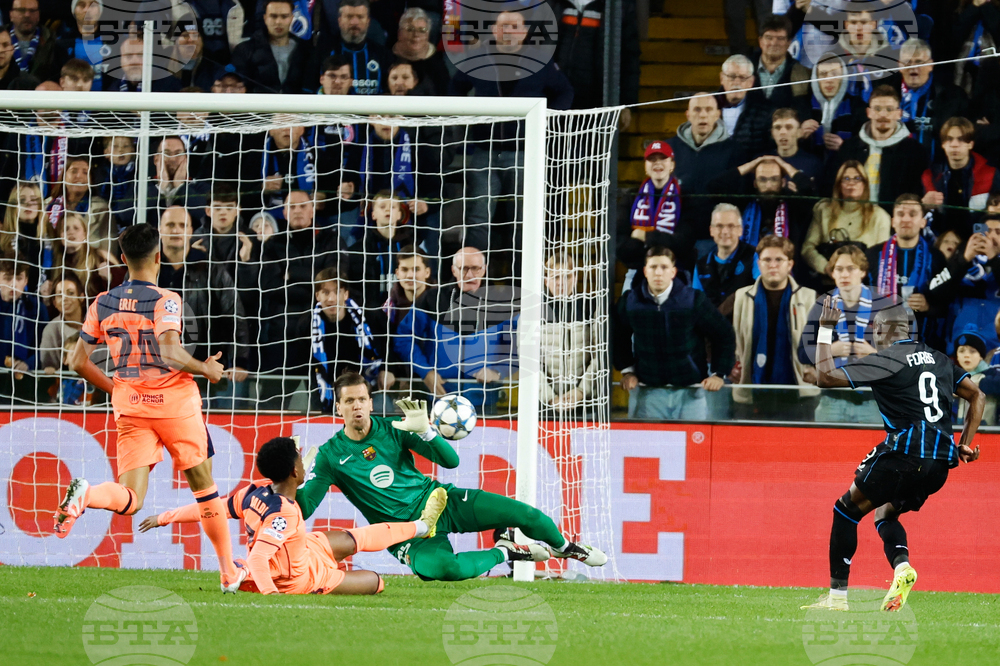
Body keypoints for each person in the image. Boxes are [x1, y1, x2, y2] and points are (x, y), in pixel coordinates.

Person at [53, 224, 247, 593]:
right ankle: (227, 572)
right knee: (204, 488)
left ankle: (87, 495)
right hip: (175, 405)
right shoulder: (166, 299)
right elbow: (170, 351)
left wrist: (118, 388)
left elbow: (77, 361)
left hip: (131, 405)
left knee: (132, 500)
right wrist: (206, 368)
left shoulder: (102, 302)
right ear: (158, 257)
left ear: (123, 259)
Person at [295, 373, 608, 580]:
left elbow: (451, 461)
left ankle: (565, 547)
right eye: (349, 401)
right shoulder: (329, 457)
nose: (357, 406)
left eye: (362, 399)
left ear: (371, 402)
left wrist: (428, 432)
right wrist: (294, 477)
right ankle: (507, 550)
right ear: (339, 408)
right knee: (447, 570)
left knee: (526, 514)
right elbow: (305, 508)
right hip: (406, 533)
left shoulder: (395, 429)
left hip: (441, 501)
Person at [802, 301, 984, 612]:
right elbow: (976, 395)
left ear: (885, 330)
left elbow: (824, 377)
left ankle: (836, 599)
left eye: (874, 330)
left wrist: (826, 330)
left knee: (845, 510)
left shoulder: (886, 360)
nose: (873, 335)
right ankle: (902, 568)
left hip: (906, 453)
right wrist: (964, 443)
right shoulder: (940, 359)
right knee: (884, 513)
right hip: (940, 463)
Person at [139, 436, 447, 595]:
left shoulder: (254, 491)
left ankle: (422, 526)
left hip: (304, 549)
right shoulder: (282, 514)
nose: (305, 462)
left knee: (355, 537)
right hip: (299, 578)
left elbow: (212, 508)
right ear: (294, 471)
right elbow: (259, 559)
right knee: (377, 583)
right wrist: (273, 599)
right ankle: (419, 528)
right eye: (301, 460)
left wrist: (165, 516)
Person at [448, 8, 573, 251]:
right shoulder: (477, 58)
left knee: (525, 219)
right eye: (503, 26)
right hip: (484, 152)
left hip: (525, 153)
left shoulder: (541, 61)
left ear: (525, 32)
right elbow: (455, 88)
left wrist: (547, 119)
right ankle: (475, 277)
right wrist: (468, 115)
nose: (509, 31)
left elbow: (565, 92)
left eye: (514, 26)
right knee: (477, 219)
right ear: (494, 30)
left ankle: (523, 281)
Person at [614, 246, 736, 420]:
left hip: (692, 390)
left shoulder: (694, 300)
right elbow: (619, 336)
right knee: (651, 446)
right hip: (649, 390)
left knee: (694, 446)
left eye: (664, 267)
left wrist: (719, 373)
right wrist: (627, 371)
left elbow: (723, 333)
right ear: (645, 271)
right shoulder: (630, 302)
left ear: (673, 271)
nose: (658, 273)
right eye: (653, 267)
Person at [394, 247, 518, 411]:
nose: (469, 275)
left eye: (475, 268)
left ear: (484, 269)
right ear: (454, 270)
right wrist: (426, 372)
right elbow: (403, 338)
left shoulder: (503, 303)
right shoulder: (433, 299)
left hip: (485, 400)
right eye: (463, 268)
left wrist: (498, 371)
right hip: (441, 398)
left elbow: (518, 347)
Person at [158, 206, 250, 407]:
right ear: (160, 229)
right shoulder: (147, 270)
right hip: (157, 373)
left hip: (203, 372)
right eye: (170, 225)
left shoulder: (212, 269)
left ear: (191, 231)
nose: (176, 230)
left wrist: (239, 361)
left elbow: (234, 314)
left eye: (182, 225)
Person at [799, 245, 895, 423]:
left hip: (873, 401)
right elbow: (802, 353)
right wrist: (829, 350)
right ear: (832, 273)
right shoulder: (821, 306)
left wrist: (874, 354)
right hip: (832, 400)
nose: (844, 274)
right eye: (839, 269)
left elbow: (901, 357)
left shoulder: (883, 306)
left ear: (863, 272)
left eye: (851, 269)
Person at [731, 235, 817, 419]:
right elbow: (717, 333)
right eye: (767, 260)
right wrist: (727, 365)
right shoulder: (740, 297)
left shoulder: (809, 298)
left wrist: (818, 368)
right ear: (758, 263)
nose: (773, 265)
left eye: (779, 260)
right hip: (751, 393)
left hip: (798, 393)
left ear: (790, 264)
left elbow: (826, 340)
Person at [258, 190, 345, 372]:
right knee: (274, 398)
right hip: (282, 336)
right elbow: (270, 287)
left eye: (303, 206)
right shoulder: (273, 245)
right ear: (284, 212)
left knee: (324, 397)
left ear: (312, 210)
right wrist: (315, 282)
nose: (297, 210)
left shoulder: (331, 240)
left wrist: (291, 273)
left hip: (323, 334)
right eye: (292, 206)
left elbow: (336, 280)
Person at [302, 267, 395, 413]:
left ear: (345, 294)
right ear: (317, 296)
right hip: (328, 394)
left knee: (384, 419)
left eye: (337, 291)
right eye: (325, 292)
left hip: (371, 386)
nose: (331, 299)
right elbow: (303, 366)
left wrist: (388, 369)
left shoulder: (370, 318)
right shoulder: (306, 326)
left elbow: (391, 343)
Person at [668, 93, 743, 258]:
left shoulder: (734, 150)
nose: (702, 115)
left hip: (714, 241)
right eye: (697, 109)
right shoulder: (670, 148)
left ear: (717, 114)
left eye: (708, 110)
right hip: (676, 238)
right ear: (688, 114)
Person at [832, 85, 928, 212]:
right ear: (868, 112)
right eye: (877, 109)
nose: (883, 115)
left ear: (899, 114)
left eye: (889, 109)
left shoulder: (915, 152)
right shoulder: (849, 148)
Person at [801, 160, 892, 280]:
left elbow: (884, 257)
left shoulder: (880, 216)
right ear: (839, 184)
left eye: (857, 179)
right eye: (846, 179)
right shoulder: (823, 210)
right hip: (827, 282)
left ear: (865, 184)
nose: (851, 184)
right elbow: (807, 248)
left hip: (866, 283)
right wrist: (826, 267)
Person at [709, 154, 815, 248]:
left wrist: (785, 165)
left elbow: (810, 190)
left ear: (783, 182)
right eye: (763, 180)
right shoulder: (745, 201)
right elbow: (713, 188)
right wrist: (751, 164)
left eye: (774, 179)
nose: (768, 186)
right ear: (755, 183)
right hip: (747, 266)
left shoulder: (793, 202)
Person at [921, 117, 1000, 240]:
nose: (954, 145)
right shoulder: (929, 176)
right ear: (943, 144)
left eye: (961, 139)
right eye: (949, 139)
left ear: (970, 144)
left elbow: (994, 219)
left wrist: (977, 237)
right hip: (941, 242)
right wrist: (924, 206)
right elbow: (924, 220)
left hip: (980, 240)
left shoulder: (990, 174)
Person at [541, 251, 600, 411]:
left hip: (586, 401)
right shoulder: (534, 310)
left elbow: (600, 355)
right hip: (544, 404)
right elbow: (529, 362)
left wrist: (581, 391)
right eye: (556, 277)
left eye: (567, 276)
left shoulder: (591, 307)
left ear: (575, 278)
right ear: (546, 281)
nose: (561, 283)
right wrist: (550, 398)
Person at [896, 39, 970, 157]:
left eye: (919, 62)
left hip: (936, 169)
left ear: (930, 65)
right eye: (908, 62)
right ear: (899, 65)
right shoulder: (887, 94)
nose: (913, 67)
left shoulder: (953, 96)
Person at [230, 0, 310, 94]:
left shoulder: (305, 50)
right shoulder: (244, 50)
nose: (278, 22)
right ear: (265, 18)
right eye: (273, 16)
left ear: (292, 18)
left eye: (284, 16)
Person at [313, 0, 391, 95]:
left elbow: (389, 94)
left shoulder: (382, 54)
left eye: (360, 17)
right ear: (340, 20)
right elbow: (307, 91)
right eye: (349, 17)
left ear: (368, 21)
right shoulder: (322, 51)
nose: (354, 22)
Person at [692, 203, 760, 310]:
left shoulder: (754, 256)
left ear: (740, 230)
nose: (725, 231)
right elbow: (697, 305)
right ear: (711, 230)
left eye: (731, 226)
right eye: (719, 226)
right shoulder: (701, 265)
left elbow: (762, 291)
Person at [800, 52, 865, 160]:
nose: (829, 80)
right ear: (815, 78)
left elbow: (864, 146)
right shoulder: (803, 105)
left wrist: (844, 147)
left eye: (835, 74)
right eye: (823, 74)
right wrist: (799, 134)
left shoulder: (856, 105)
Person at [0, 258, 48, 401]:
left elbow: (46, 345)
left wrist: (29, 363)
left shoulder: (36, 307)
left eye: (19, 278)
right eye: (7, 278)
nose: (13, 284)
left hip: (28, 378)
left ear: (26, 280)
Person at [717, 55, 774, 159]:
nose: (737, 82)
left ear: (751, 82)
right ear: (722, 78)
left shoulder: (765, 111)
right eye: (732, 76)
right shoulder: (708, 105)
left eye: (742, 78)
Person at [751, 15, 810, 108]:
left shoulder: (799, 72)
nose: (774, 43)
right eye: (769, 38)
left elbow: (802, 108)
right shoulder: (745, 67)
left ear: (789, 42)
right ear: (760, 41)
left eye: (780, 38)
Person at [391, 8, 449, 96]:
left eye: (422, 30)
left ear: (427, 35)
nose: (416, 35)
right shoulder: (386, 58)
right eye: (410, 29)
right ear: (399, 33)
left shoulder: (438, 66)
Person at [7, 0, 58, 82]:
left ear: (38, 15)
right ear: (11, 15)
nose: (27, 15)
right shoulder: (1, 37)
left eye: (32, 11)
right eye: (21, 10)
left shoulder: (53, 41)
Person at [769, 108, 823, 184]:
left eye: (789, 127)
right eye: (777, 127)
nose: (782, 132)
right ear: (772, 133)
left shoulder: (813, 164)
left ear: (799, 132)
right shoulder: (762, 160)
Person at [384, 245, 433, 330]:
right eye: (405, 270)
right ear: (397, 273)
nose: (410, 275)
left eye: (416, 269)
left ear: (427, 272)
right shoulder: (389, 309)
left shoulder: (443, 303)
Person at [953, 331, 995, 423]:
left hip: (987, 430)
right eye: (961, 351)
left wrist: (977, 384)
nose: (966, 355)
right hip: (958, 428)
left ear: (981, 356)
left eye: (972, 351)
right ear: (957, 355)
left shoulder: (992, 374)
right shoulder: (952, 375)